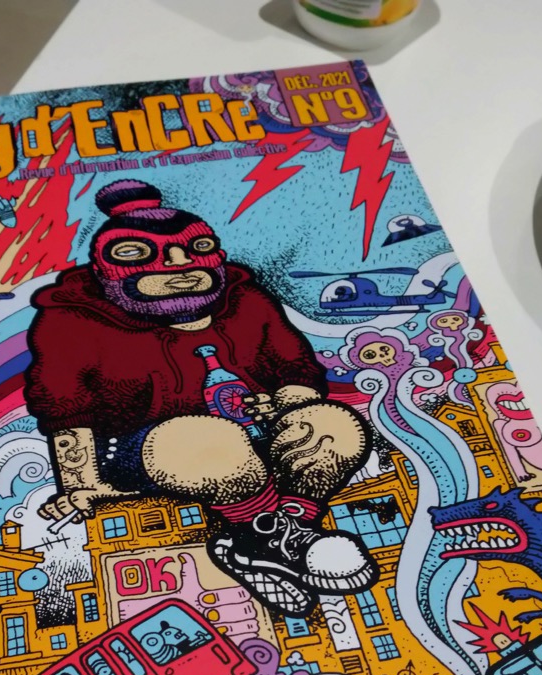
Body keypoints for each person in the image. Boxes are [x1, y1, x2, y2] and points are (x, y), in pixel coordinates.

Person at [24, 180, 379, 615]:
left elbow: (293, 369)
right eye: (143, 254)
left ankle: (275, 537)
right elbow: (65, 407)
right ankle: (272, 537)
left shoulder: (244, 299)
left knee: (334, 425)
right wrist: (82, 485)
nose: (178, 265)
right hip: (147, 450)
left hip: (256, 432)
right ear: (109, 265)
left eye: (194, 249)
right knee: (204, 439)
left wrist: (284, 404)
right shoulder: (72, 319)